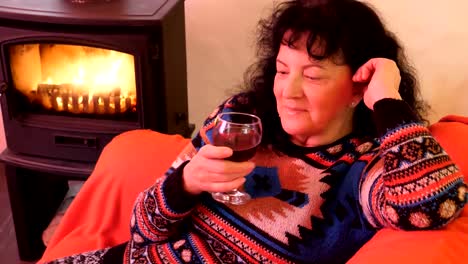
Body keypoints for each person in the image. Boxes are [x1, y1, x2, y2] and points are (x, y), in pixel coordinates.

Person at [45, 0, 467, 263]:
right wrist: (184, 184)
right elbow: (143, 229)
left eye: (314, 76)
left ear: (358, 86)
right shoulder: (241, 120)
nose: (289, 91)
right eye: (283, 71)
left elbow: (437, 206)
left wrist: (388, 101)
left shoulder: (363, 169)